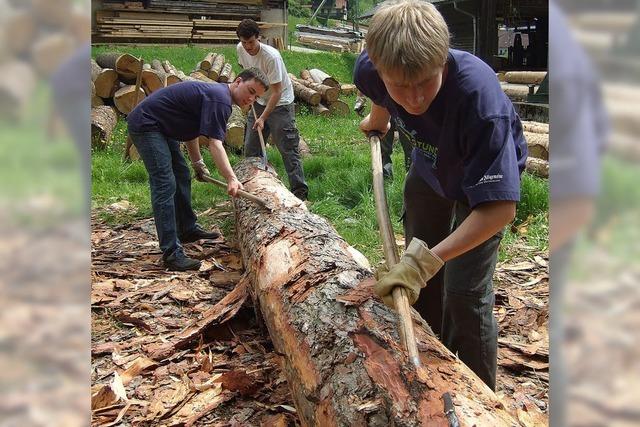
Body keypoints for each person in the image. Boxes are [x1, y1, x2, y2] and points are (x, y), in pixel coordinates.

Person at [355, 0, 527, 390]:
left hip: (481, 183)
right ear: (379, 69)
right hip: (431, 166)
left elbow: (499, 210)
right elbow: (379, 94)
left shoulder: (480, 105)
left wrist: (425, 261)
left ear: (443, 62)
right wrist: (378, 120)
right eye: (400, 86)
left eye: (425, 83)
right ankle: (430, 355)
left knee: (464, 293)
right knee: (423, 268)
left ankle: (479, 394)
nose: (414, 100)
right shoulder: (370, 69)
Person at [127, 68, 269, 271]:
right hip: (147, 124)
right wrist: (231, 178)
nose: (252, 99)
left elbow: (190, 129)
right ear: (238, 82)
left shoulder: (218, 96)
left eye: (257, 96)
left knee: (182, 174)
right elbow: (215, 144)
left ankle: (186, 228)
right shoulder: (220, 100)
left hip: (162, 126)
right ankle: (171, 253)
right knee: (165, 183)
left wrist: (197, 163)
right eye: (250, 91)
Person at [236, 19, 309, 201]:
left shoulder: (271, 57)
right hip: (259, 100)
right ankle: (255, 187)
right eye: (244, 43)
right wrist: (248, 98)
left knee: (287, 147)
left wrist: (264, 117)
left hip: (281, 102)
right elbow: (245, 73)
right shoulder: (240, 49)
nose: (248, 47)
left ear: (258, 38)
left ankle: (300, 193)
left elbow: (276, 91)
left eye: (251, 42)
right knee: (251, 148)